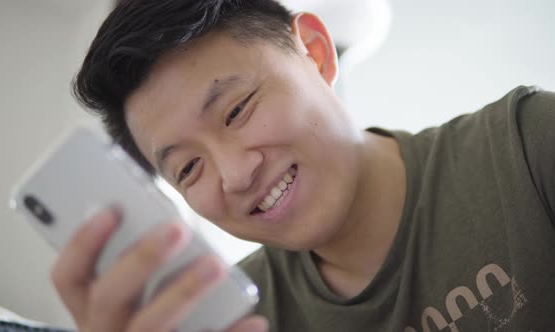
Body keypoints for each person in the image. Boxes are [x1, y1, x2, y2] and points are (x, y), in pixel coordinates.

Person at [52, 0, 555, 331]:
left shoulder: (529, 144)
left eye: (236, 110)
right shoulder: (238, 317)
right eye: (187, 169)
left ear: (315, 53)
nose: (235, 174)